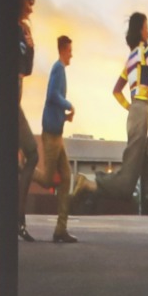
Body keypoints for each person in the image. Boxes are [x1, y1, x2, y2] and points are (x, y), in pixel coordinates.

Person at [91, 12, 148, 263]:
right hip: (140, 112)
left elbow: (116, 91)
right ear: (140, 30)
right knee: (127, 181)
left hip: (135, 112)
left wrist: (129, 107)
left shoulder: (129, 59)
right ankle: (89, 183)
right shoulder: (145, 51)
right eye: (147, 27)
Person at [30, 35, 96, 243]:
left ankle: (61, 229)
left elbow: (53, 102)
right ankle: (24, 169)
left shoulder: (60, 70)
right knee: (49, 179)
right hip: (51, 134)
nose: (72, 55)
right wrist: (69, 105)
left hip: (57, 132)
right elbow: (52, 95)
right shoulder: (58, 68)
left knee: (66, 177)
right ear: (63, 50)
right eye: (70, 51)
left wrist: (65, 117)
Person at [16, 0, 39, 242]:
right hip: (9, 102)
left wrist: (30, 46)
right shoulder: (7, 28)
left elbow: (28, 70)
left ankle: (18, 220)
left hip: (17, 101)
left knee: (26, 158)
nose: (31, 8)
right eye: (29, 2)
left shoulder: (23, 31)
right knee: (32, 153)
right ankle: (18, 219)